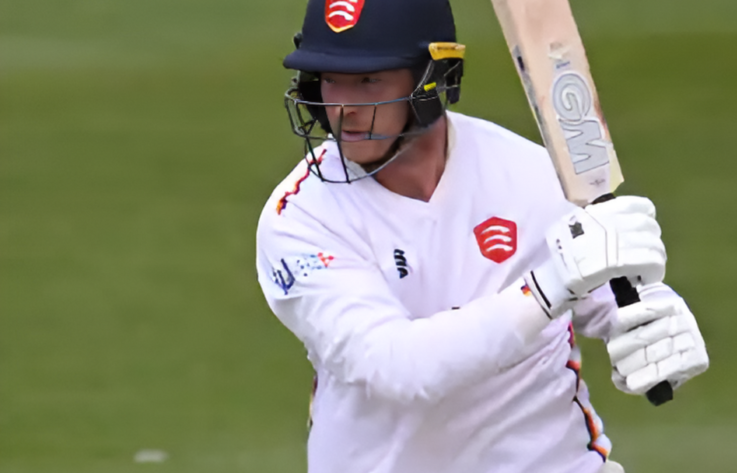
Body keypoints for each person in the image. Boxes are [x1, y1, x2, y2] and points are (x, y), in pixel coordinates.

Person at [256, 0, 709, 472]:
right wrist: (548, 288)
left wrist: (653, 321)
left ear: (432, 78)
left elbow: (604, 291)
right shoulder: (300, 219)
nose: (343, 107)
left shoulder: (533, 174)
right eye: (330, 80)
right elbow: (395, 367)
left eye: (369, 80)